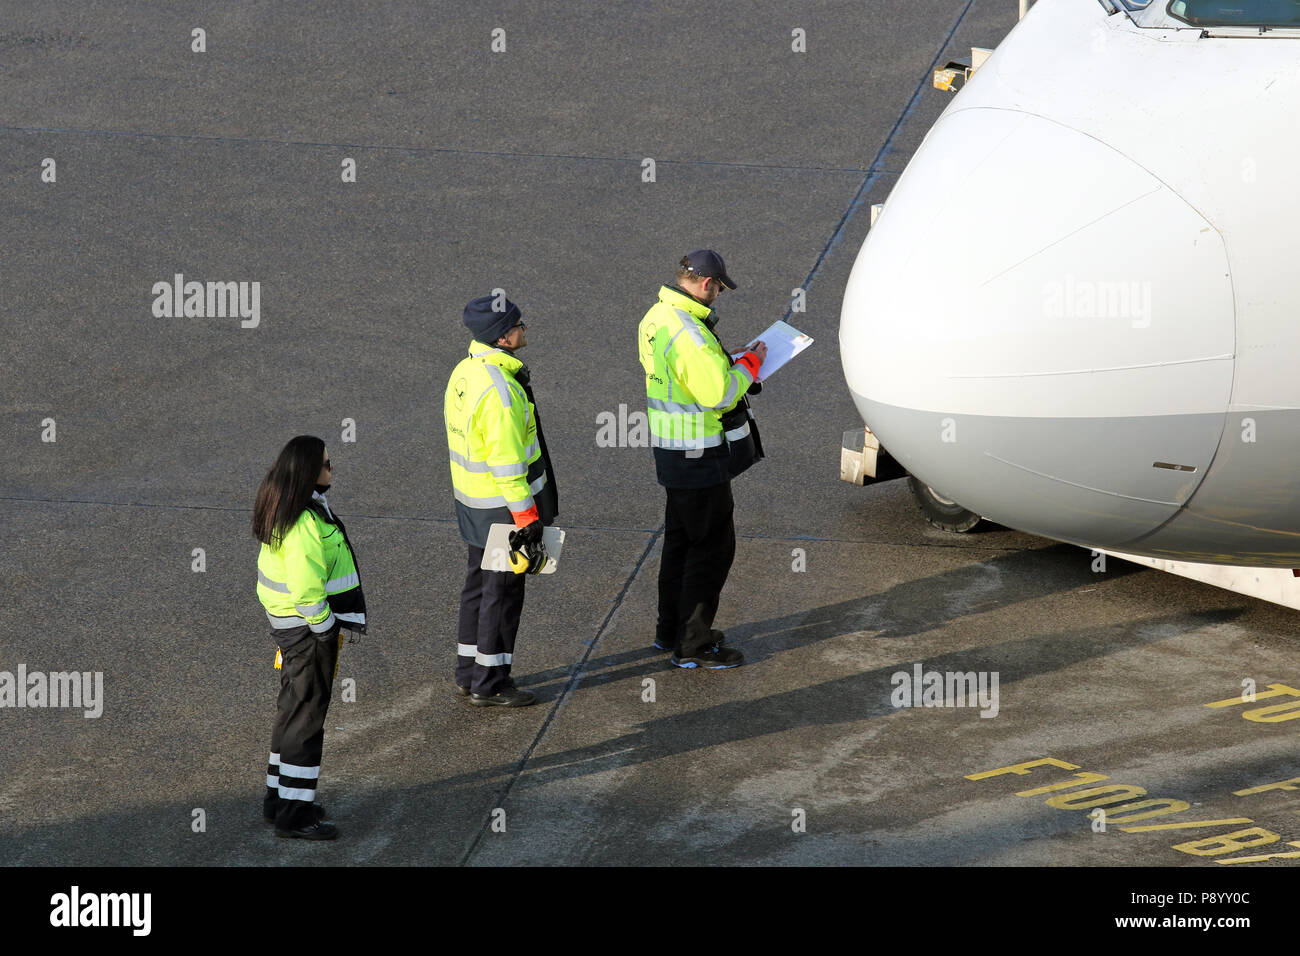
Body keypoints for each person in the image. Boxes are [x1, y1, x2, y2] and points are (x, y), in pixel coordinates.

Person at [637, 250, 767, 669]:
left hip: (672, 452)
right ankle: (693, 644)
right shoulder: (691, 331)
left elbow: (685, 375)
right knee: (711, 549)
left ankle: (668, 631)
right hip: (700, 455)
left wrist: (726, 359)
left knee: (679, 543)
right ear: (709, 284)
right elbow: (719, 395)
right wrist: (750, 364)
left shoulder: (657, 317)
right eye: (719, 289)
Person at [444, 294, 558, 707]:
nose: (524, 328)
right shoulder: (501, 391)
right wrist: (528, 519)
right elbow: (509, 465)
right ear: (504, 337)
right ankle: (489, 682)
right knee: (503, 592)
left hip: (475, 504)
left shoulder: (465, 372)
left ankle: (468, 670)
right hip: (504, 509)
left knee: (478, 585)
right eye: (519, 324)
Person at [253, 435, 366, 840]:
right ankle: (295, 816)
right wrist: (325, 629)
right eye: (327, 464)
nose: (332, 469)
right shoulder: (303, 522)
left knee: (292, 709)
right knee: (306, 720)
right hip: (306, 631)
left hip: (288, 626)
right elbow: (306, 590)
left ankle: (279, 799)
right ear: (307, 472)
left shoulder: (290, 506)